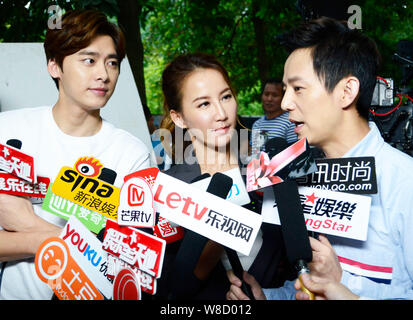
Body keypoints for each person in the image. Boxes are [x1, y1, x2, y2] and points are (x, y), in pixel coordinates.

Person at [227, 17, 413, 300]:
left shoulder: (404, 181)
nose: (286, 103)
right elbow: (304, 287)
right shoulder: (301, 179)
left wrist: (345, 286)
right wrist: (267, 298)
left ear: (346, 91)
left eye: (298, 88)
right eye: (285, 90)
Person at [0, 9, 151, 300]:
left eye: (112, 63)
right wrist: (50, 239)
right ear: (54, 66)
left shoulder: (132, 155)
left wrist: (28, 226)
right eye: (89, 60)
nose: (103, 75)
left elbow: (126, 265)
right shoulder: (7, 130)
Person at [156, 52, 294, 300]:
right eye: (204, 104)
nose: (221, 113)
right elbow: (175, 287)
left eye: (226, 97)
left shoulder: (265, 169)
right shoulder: (170, 190)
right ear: (179, 117)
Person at [251, 78, 297, 156]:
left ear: (283, 97)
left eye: (275, 95)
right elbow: (256, 155)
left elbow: (294, 154)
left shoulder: (291, 122)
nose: (269, 99)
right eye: (266, 94)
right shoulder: (257, 124)